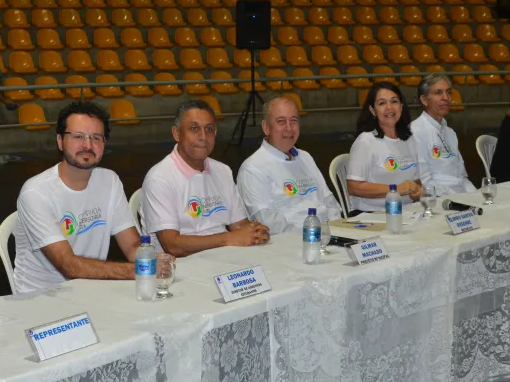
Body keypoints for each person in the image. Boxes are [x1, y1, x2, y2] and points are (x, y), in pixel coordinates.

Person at [13, 101, 171, 294]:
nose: (88, 145)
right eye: (78, 136)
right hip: (42, 298)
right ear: (60, 141)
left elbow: (131, 246)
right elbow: (69, 266)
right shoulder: (35, 193)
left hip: (93, 288)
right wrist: (141, 270)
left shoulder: (110, 181)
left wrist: (154, 260)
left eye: (96, 138)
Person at [140, 100, 270, 257]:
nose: (203, 136)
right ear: (177, 133)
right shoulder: (159, 178)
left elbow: (239, 224)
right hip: (181, 264)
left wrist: (255, 231)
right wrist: (228, 238)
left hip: (225, 257)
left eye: (209, 129)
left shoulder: (223, 171)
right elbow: (172, 246)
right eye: (194, 128)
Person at [237, 96, 340, 233]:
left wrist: (335, 228)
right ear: (266, 127)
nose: (289, 128)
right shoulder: (253, 168)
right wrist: (312, 234)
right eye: (281, 121)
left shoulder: (305, 157)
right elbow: (268, 223)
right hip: (290, 241)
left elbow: (329, 201)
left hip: (327, 235)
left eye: (294, 120)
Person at [346, 82, 423, 213]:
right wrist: (395, 189)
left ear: (401, 106)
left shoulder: (410, 140)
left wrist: (417, 190)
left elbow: (416, 180)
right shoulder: (365, 141)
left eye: (394, 101)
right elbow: (354, 187)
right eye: (382, 103)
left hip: (408, 211)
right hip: (373, 214)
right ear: (372, 110)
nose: (389, 107)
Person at [410, 74, 476, 196]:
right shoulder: (415, 131)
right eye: (438, 93)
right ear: (424, 100)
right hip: (437, 199)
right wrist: (458, 196)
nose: (446, 97)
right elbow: (425, 182)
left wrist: (475, 195)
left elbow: (462, 177)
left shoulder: (450, 132)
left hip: (459, 196)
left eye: (448, 92)